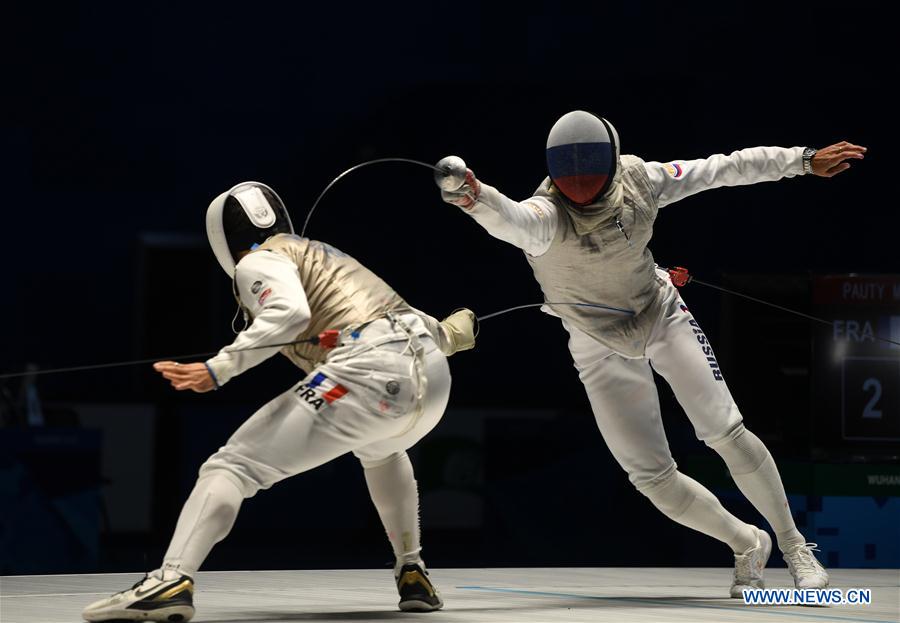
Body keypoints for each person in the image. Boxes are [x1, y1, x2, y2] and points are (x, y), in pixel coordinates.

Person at [437, 110, 866, 597]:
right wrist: (473, 195)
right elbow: (505, 216)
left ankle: (795, 549)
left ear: (613, 163)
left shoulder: (641, 179)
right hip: (596, 342)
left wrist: (802, 161)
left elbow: (722, 168)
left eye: (590, 173)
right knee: (651, 477)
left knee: (725, 431)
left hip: (659, 314)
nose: (579, 185)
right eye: (569, 176)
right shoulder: (544, 217)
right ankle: (747, 543)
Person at [83, 181, 476, 622]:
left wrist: (220, 367)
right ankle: (412, 569)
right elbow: (394, 319)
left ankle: (170, 579)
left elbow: (289, 314)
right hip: (431, 381)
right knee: (382, 448)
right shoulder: (323, 253)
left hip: (367, 374)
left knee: (232, 466)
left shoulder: (257, 261)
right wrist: (448, 335)